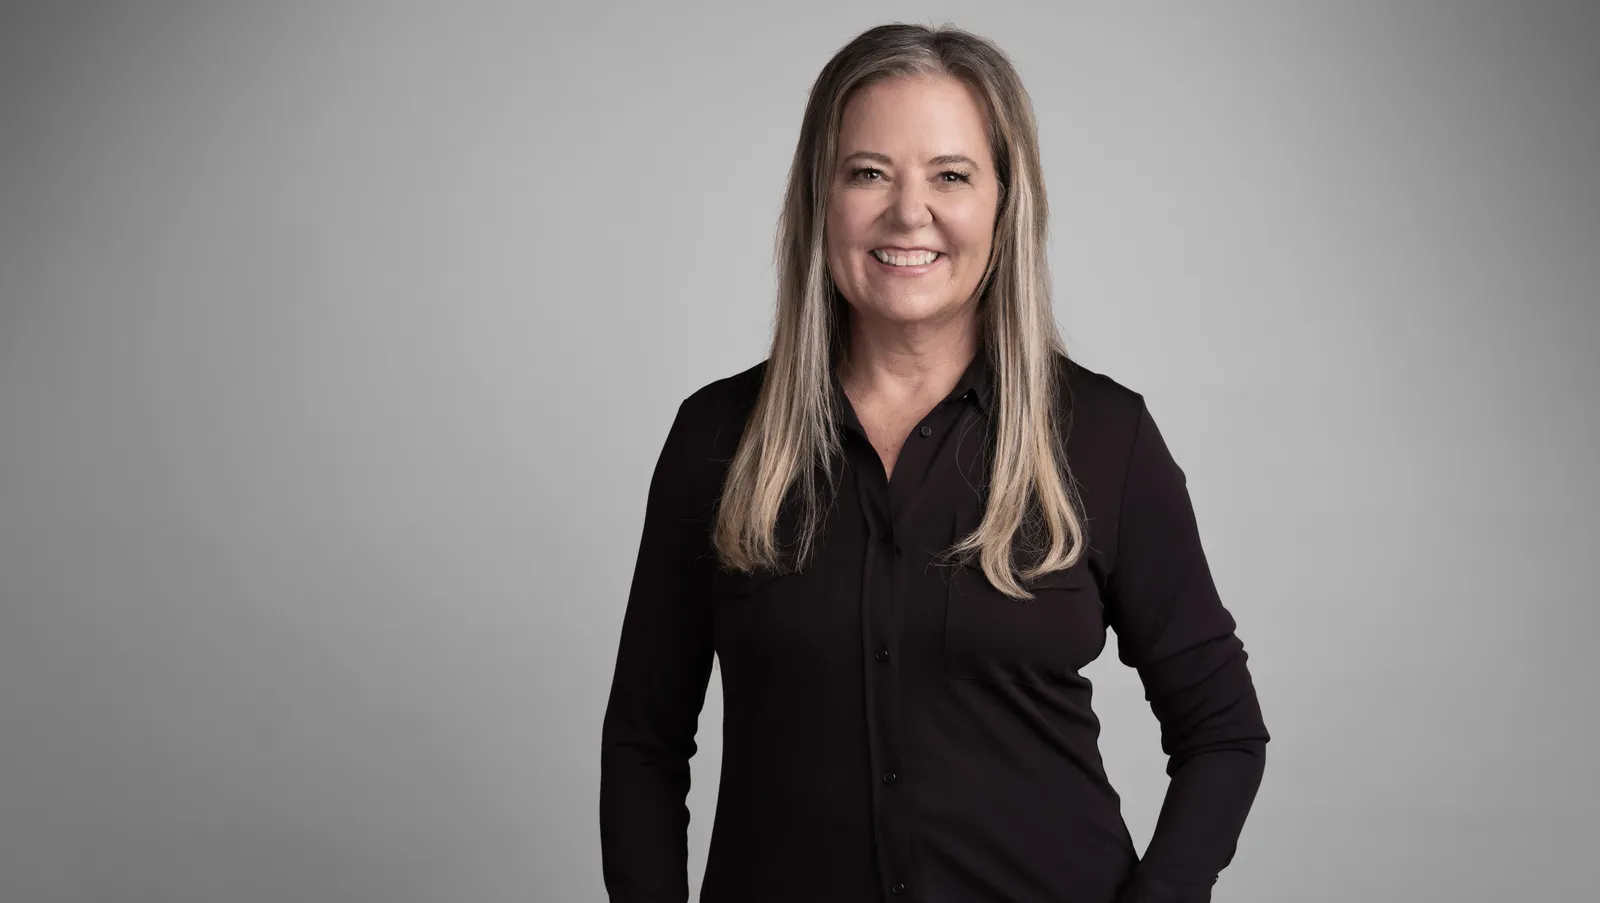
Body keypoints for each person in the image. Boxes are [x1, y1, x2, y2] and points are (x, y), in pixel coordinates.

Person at [599, 22, 1270, 903]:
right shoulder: (716, 439)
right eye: (868, 172)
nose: (908, 212)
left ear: (1003, 201)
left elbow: (1222, 730)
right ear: (821, 199)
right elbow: (646, 743)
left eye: (951, 175)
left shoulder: (1104, 438)